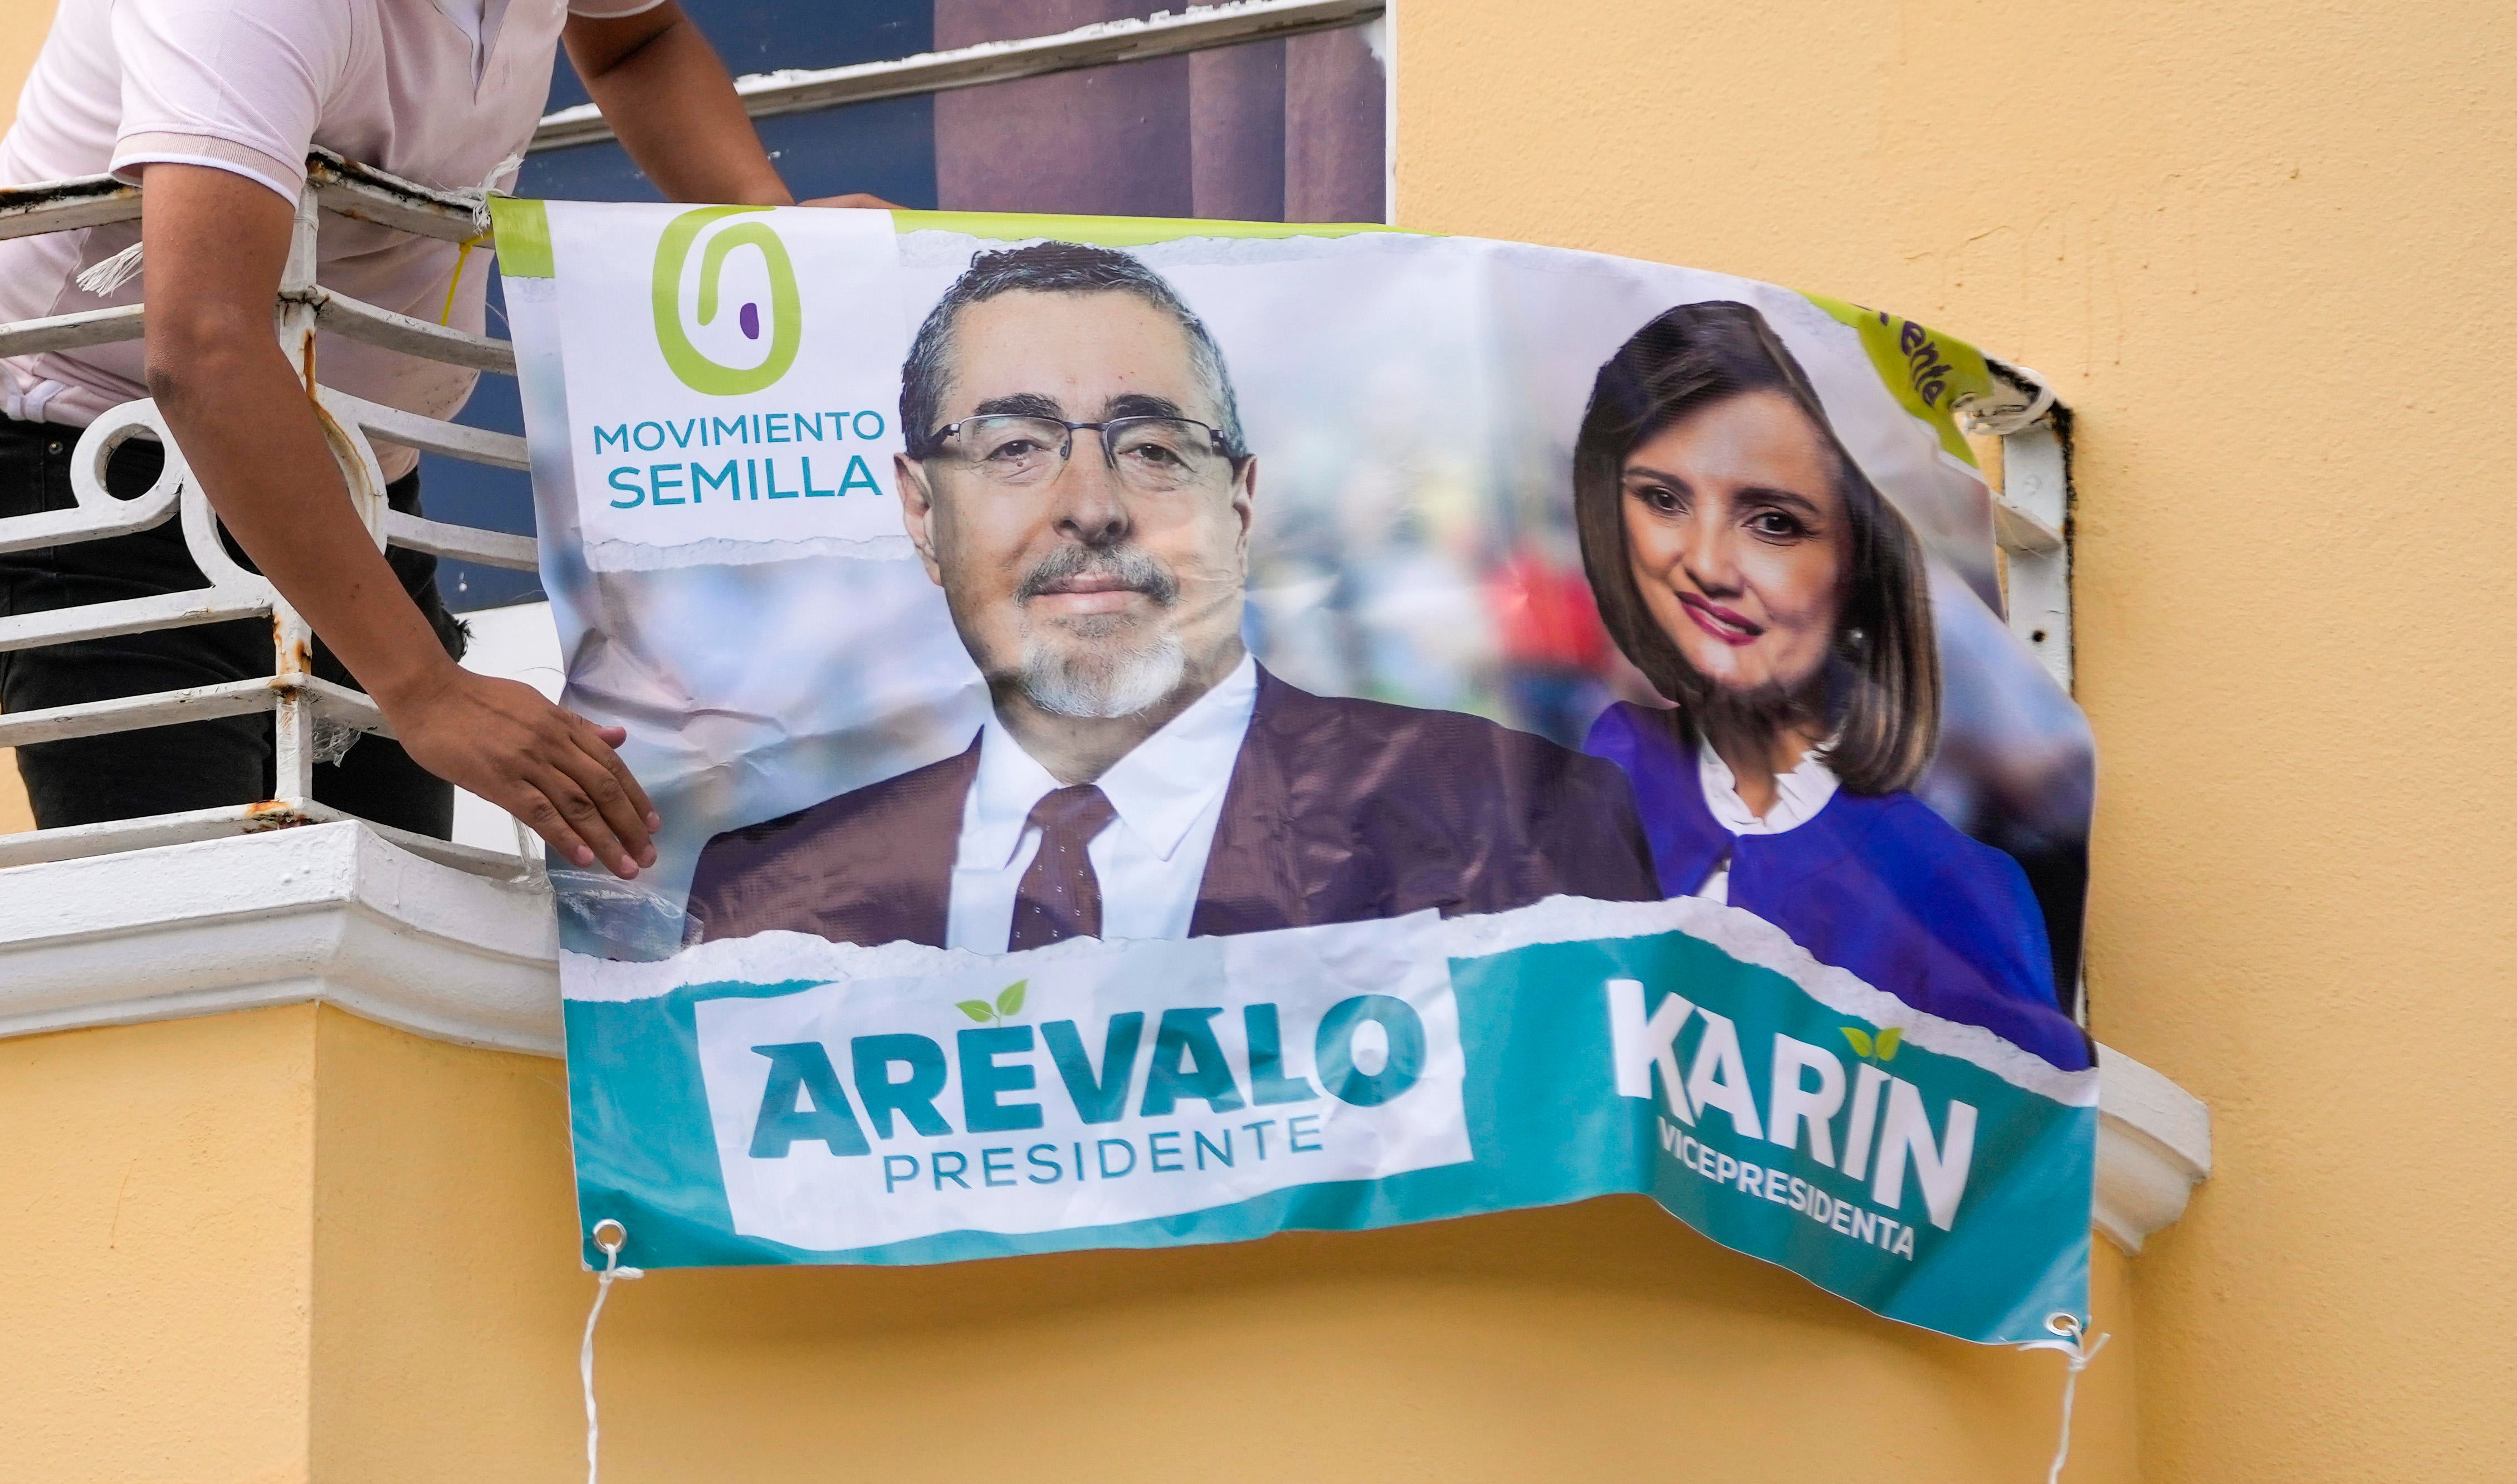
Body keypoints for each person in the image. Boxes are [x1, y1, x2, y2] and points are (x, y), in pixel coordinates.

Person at [0, 0, 845, 876]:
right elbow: (203, 343)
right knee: (206, 940)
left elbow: (639, 37)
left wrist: (776, 245)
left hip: (351, 454)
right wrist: (422, 690)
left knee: (394, 916)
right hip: (105, 465)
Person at [686, 242, 1655, 948]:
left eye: (1153, 450)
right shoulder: (767, 903)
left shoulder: (1523, 820)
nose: (1094, 509)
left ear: (1238, 504)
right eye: (1015, 449)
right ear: (919, 509)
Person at [1571, 301, 2088, 1065]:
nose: (1708, 566)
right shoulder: (1611, 765)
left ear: (1862, 566)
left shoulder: (1947, 886)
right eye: (1664, 500)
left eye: (1775, 522)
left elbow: (2022, 1155)